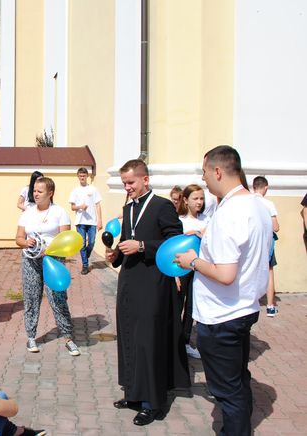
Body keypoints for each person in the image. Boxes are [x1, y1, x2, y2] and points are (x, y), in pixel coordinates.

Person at [176, 145, 272, 436]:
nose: (203, 179)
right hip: (243, 308)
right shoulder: (257, 204)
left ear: (218, 171)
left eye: (205, 172)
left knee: (228, 392)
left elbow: (226, 274)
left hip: (222, 316)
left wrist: (193, 261)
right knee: (238, 380)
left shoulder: (230, 212)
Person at [105, 159, 189, 426]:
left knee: (148, 340)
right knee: (129, 335)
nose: (127, 188)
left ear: (145, 180)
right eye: (124, 183)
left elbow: (174, 241)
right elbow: (126, 241)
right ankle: (133, 393)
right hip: (129, 280)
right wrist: (115, 254)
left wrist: (142, 246)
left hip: (153, 282)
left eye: (130, 182)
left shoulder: (162, 206)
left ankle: (153, 402)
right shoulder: (128, 206)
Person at [15, 177, 80, 356]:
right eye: (34, 190)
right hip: (31, 260)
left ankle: (68, 337)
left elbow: (65, 238)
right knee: (31, 298)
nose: (35, 194)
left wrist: (49, 250)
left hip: (53, 260)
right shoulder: (27, 213)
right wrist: (26, 242)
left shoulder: (59, 212)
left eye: (39, 191)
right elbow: (18, 238)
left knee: (57, 297)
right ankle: (31, 337)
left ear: (50, 193)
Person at [177, 184, 210, 359]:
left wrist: (201, 234)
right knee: (177, 305)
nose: (199, 202)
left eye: (201, 198)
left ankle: (186, 340)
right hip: (181, 269)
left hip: (199, 268)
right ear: (185, 200)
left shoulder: (207, 220)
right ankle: (173, 340)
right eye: (195, 198)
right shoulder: (180, 220)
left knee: (191, 307)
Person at [252, 176, 280, 317]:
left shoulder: (249, 201)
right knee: (269, 271)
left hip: (252, 242)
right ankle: (270, 306)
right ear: (266, 187)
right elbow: (275, 227)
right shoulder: (268, 204)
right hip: (266, 243)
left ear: (253, 186)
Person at [68, 167, 103, 275]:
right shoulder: (75, 190)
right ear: (78, 177)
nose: (82, 178)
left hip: (92, 221)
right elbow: (72, 207)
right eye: (80, 176)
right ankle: (85, 265)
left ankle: (85, 256)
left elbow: (98, 205)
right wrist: (80, 207)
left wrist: (100, 220)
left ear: (87, 176)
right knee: (82, 244)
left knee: (91, 242)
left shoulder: (93, 189)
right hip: (80, 221)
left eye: (84, 176)